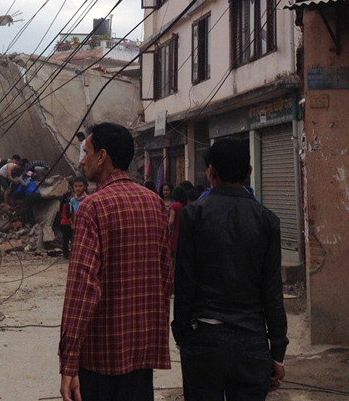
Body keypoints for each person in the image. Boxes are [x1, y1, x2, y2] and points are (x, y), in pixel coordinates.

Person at [58, 123, 173, 401]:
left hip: (100, 358)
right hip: (141, 355)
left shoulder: (92, 207)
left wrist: (69, 362)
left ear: (102, 156)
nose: (82, 160)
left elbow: (82, 290)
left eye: (86, 152)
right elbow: (166, 278)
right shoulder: (155, 204)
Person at [172, 137, 288, 400]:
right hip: (251, 340)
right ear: (248, 172)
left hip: (203, 338)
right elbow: (272, 292)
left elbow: (184, 282)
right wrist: (277, 351)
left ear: (210, 172)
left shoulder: (193, 215)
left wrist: (181, 333)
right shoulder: (268, 220)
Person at [167, 185, 188, 262]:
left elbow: (171, 221)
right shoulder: (185, 205)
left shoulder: (174, 206)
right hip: (185, 234)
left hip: (176, 234)